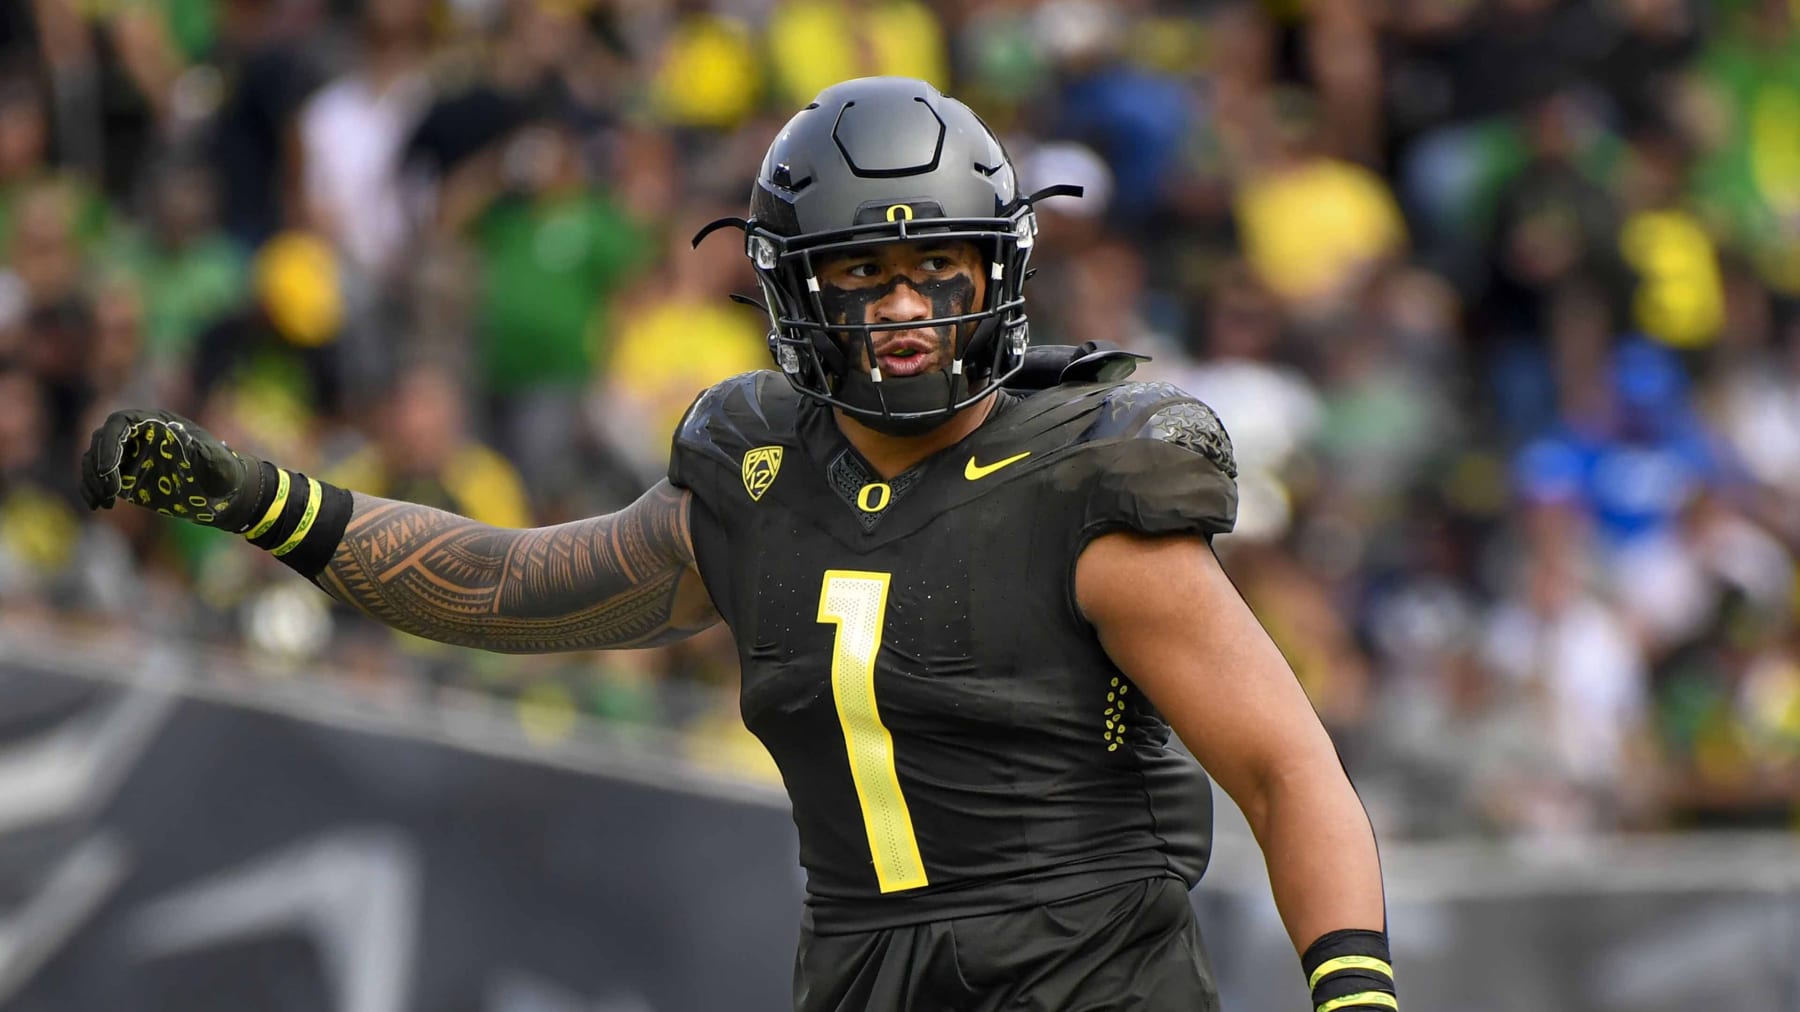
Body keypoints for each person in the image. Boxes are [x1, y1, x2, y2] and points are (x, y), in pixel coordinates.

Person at [79, 77, 1397, 1012]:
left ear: (997, 273)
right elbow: (500, 585)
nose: (902, 309)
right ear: (788, 286)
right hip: (860, 979)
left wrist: (1355, 999)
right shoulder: (759, 481)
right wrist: (264, 502)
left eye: (938, 267)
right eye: (859, 276)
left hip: (1086, 982)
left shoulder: (1089, 490)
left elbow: (1288, 771)